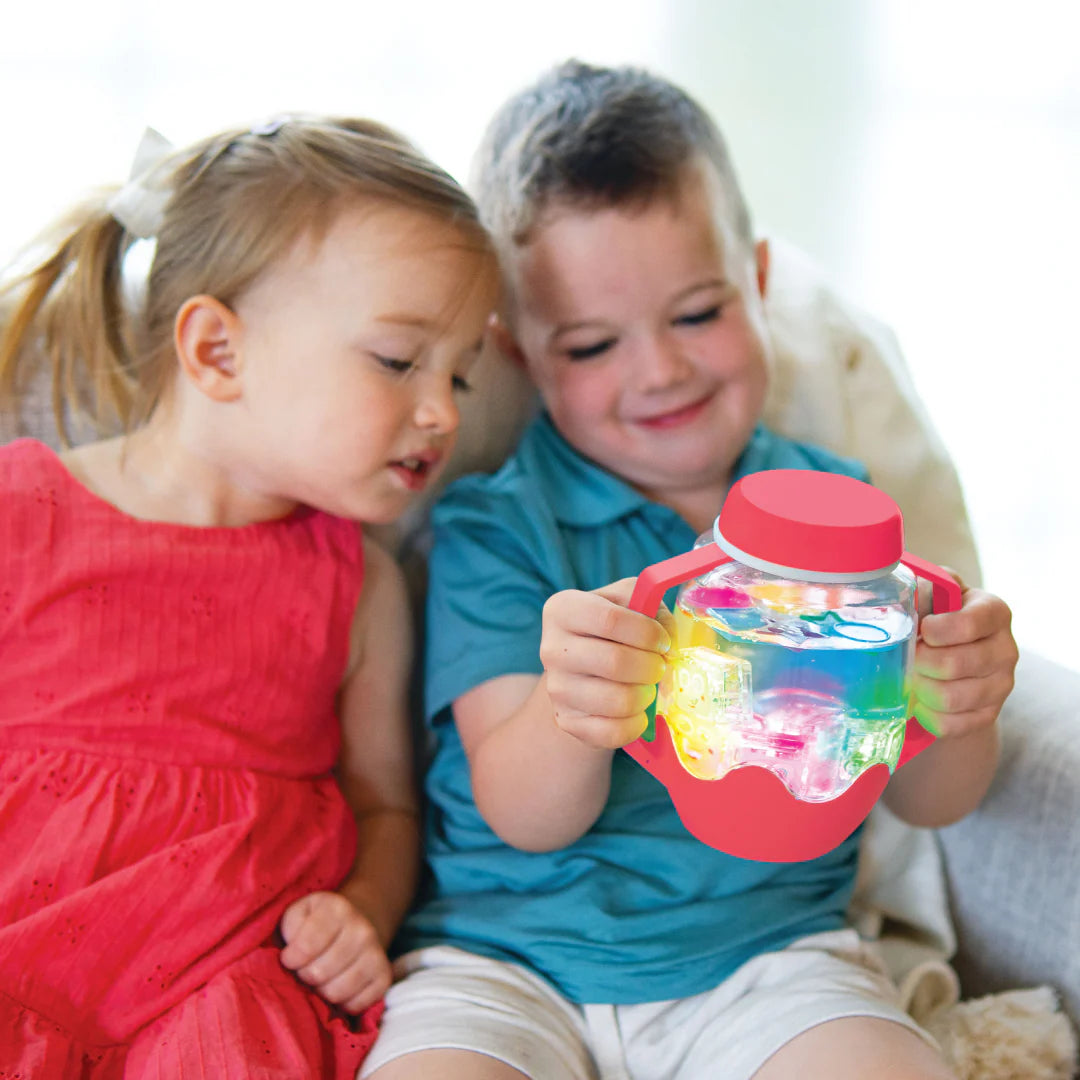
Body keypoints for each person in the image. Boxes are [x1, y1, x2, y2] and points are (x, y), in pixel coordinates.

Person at [361, 62, 1019, 1080]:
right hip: (500, 966)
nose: (660, 371)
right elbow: (523, 816)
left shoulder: (839, 518)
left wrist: (962, 701)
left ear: (757, 281)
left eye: (699, 313)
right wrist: (575, 707)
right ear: (518, 353)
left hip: (770, 963)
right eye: (591, 345)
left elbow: (931, 801)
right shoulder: (499, 529)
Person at [0, 115, 497, 1077]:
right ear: (218, 352)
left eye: (463, 376)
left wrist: (363, 912)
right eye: (398, 360)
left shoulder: (359, 584)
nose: (442, 411)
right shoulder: (22, 513)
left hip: (220, 979)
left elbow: (386, 807)